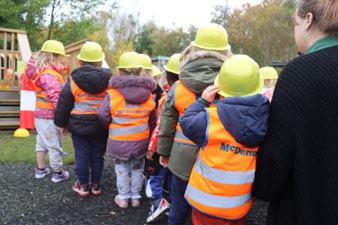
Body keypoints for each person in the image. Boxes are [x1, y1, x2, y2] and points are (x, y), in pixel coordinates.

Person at [252, 1, 338, 225]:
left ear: (308, 20)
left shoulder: (299, 72)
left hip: (305, 209)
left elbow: (274, 164)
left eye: (296, 24)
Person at [157, 23, 233, 225]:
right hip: (220, 159)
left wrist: (164, 152)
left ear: (192, 51)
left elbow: (167, 124)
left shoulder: (178, 86)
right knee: (211, 210)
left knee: (179, 205)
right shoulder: (232, 84)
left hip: (182, 159)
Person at [180, 54, 269, 225]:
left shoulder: (209, 118)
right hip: (237, 206)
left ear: (220, 87)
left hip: (205, 204)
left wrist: (202, 101)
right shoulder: (265, 120)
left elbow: (187, 123)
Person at [98, 52, 157, 208]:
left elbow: (103, 115)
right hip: (140, 140)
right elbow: (153, 119)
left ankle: (123, 198)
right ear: (140, 71)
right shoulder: (149, 95)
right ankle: (136, 197)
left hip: (118, 141)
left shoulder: (112, 94)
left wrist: (110, 126)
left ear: (119, 71)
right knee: (138, 168)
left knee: (121, 168)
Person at [54, 42, 112, 196]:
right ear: (100, 62)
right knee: (97, 155)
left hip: (78, 125)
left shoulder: (73, 81)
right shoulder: (109, 81)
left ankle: (84, 186)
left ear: (80, 62)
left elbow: (64, 103)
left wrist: (61, 124)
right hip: (100, 124)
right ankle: (96, 185)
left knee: (81, 155)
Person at [25, 40, 70, 182]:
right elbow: (55, 97)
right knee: (54, 144)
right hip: (50, 116)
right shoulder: (49, 75)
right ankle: (58, 172)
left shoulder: (41, 73)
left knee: (41, 142)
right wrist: (62, 116)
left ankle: (41, 169)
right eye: (61, 61)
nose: (63, 65)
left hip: (39, 115)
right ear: (52, 59)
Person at [145, 54, 180, 223]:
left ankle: (157, 202)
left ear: (168, 76)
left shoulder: (167, 98)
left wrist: (152, 148)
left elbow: (161, 125)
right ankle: (172, 205)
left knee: (154, 176)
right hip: (181, 147)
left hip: (164, 146)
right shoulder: (195, 96)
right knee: (174, 178)